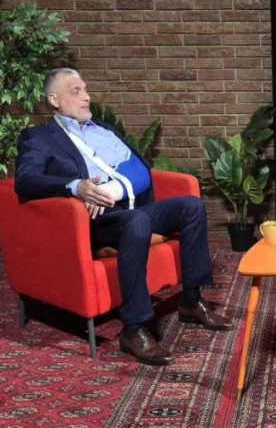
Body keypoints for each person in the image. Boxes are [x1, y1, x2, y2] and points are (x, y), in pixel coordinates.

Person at [14, 68, 230, 366]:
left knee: (190, 206)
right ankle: (133, 329)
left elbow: (140, 171)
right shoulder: (39, 138)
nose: (86, 97)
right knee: (137, 221)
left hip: (128, 210)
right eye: (76, 91)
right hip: (91, 223)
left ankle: (192, 301)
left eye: (85, 89)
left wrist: (109, 191)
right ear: (54, 100)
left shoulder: (103, 130)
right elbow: (25, 180)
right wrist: (76, 187)